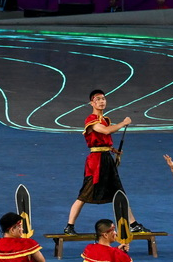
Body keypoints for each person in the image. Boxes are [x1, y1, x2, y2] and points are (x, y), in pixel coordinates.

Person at [63, 90, 148, 235]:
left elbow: (103, 138)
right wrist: (124, 122)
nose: (102, 101)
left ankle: (133, 224)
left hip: (106, 158)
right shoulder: (91, 119)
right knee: (84, 195)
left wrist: (112, 150)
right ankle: (69, 227)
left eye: (103, 99)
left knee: (119, 192)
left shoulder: (104, 119)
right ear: (92, 103)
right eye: (98, 99)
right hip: (96, 163)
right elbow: (106, 131)